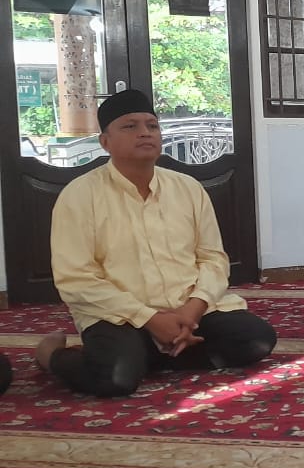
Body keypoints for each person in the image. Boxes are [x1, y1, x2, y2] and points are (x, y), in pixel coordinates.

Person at [36, 89, 277, 397]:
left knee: (257, 339)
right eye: (130, 126)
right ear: (105, 142)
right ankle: (52, 356)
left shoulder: (188, 188)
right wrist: (149, 319)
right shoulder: (79, 196)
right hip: (120, 316)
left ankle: (146, 355)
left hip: (189, 310)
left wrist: (192, 311)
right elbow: (76, 279)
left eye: (152, 125)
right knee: (115, 380)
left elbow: (213, 259)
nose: (145, 133)